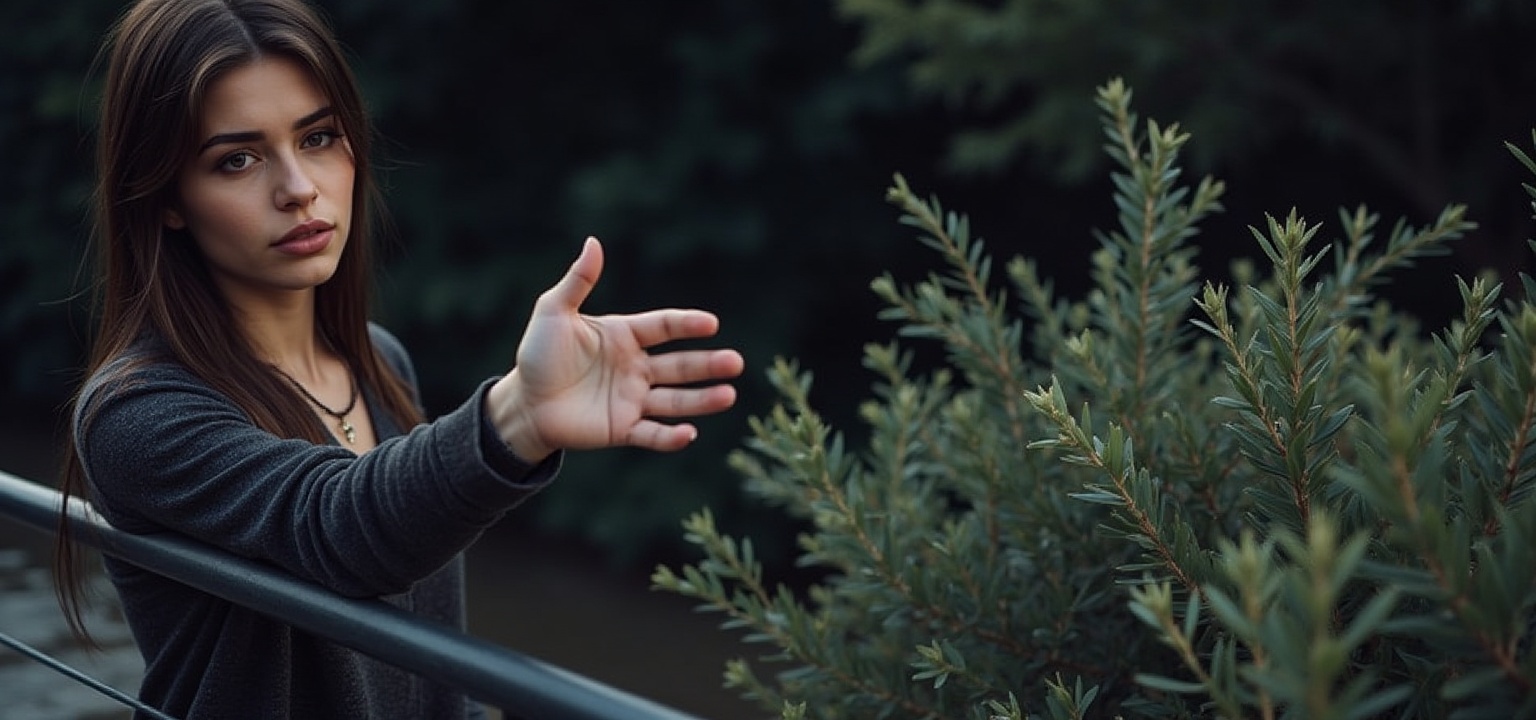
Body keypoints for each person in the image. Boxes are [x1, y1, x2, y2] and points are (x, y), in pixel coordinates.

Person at [51, 0, 746, 717]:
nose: (299, 188)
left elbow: (432, 659)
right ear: (165, 197)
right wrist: (517, 417)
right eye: (237, 159)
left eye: (318, 137)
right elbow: (338, 530)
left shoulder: (379, 361)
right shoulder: (136, 413)